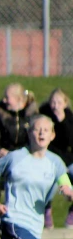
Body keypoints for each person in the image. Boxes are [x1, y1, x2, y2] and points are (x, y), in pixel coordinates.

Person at [39, 88, 73, 228]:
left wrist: (62, 121)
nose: (55, 105)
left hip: (68, 158)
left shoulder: (69, 118)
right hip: (51, 157)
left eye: (59, 102)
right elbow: (46, 143)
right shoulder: (45, 117)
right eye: (53, 102)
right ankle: (47, 209)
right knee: (50, 179)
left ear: (65, 104)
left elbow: (70, 141)